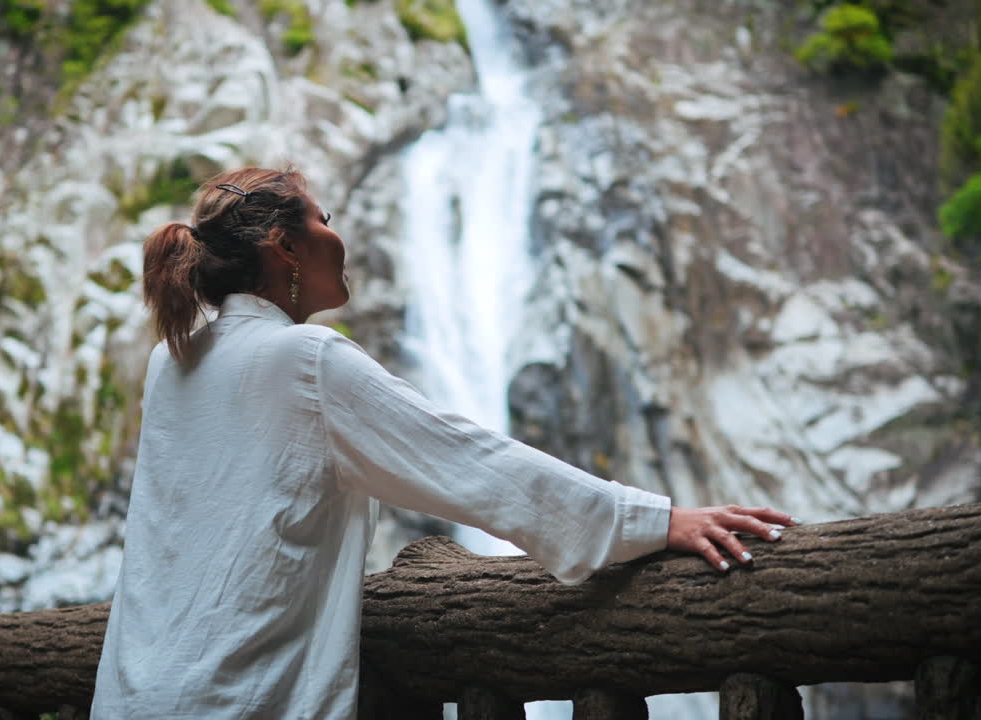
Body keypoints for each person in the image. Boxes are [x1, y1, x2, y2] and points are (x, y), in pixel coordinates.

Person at [89, 166, 798, 719]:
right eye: (325, 219)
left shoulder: (174, 359)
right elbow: (468, 461)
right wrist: (653, 521)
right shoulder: (305, 360)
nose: (341, 235)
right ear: (285, 247)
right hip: (237, 703)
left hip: (130, 695)